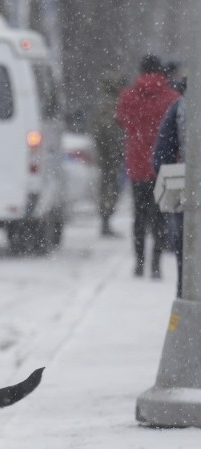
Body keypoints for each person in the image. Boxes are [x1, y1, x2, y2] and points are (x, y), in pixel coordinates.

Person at [116, 54, 179, 279]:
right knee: (161, 217)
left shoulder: (128, 96)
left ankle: (139, 263)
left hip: (137, 165)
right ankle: (156, 265)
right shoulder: (171, 97)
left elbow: (121, 119)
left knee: (139, 217)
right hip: (164, 166)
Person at [153, 89, 186, 297]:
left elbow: (160, 159)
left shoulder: (181, 107)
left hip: (189, 197)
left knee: (187, 268)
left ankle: (187, 319)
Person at [91, 74, 126, 238]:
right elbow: (109, 131)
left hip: (108, 154)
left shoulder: (105, 105)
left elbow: (98, 130)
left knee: (108, 186)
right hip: (111, 154)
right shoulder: (112, 105)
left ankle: (105, 219)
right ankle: (106, 219)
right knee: (110, 188)